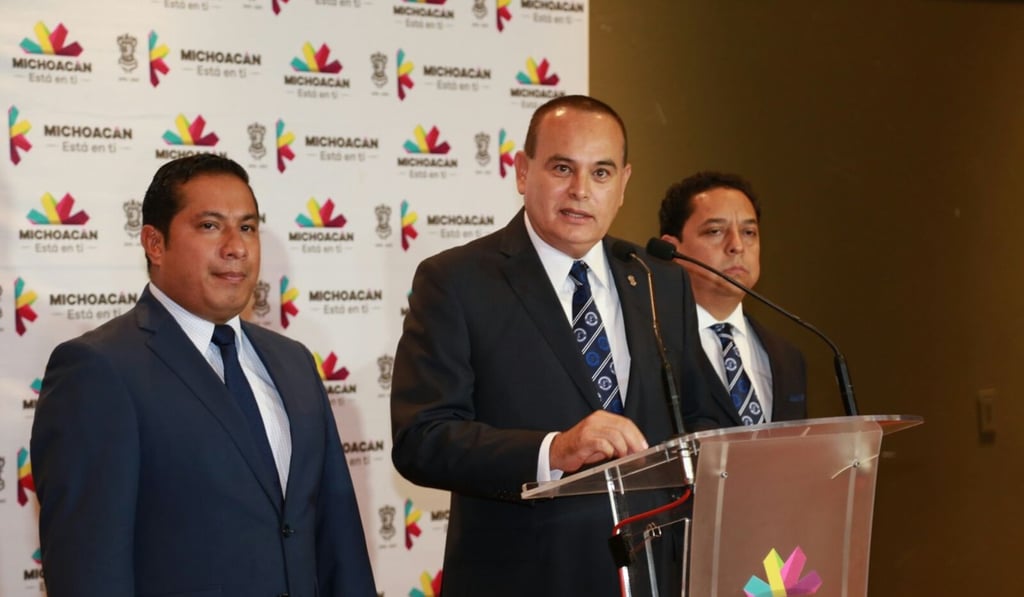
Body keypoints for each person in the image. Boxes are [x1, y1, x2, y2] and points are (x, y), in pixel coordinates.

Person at [391, 95, 716, 597]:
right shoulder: (456, 281)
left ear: (624, 183)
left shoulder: (657, 280)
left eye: (601, 173)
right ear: (523, 172)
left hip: (654, 576)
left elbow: (704, 418)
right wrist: (553, 450)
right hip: (523, 577)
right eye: (563, 168)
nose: (581, 191)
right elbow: (423, 440)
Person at [31, 154, 377, 597]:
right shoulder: (98, 369)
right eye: (211, 226)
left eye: (248, 227)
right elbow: (89, 569)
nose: (236, 246)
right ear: (155, 244)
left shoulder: (293, 362)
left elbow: (337, 537)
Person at [658, 171, 807, 426]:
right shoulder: (650, 346)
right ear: (673, 250)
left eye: (749, 232)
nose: (737, 246)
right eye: (715, 231)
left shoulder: (788, 358)